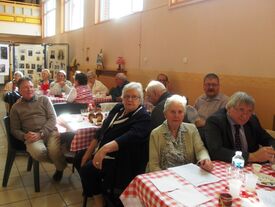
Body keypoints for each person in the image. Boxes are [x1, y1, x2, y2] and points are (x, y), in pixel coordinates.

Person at [76, 82, 151, 207]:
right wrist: (89, 152)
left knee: (87, 170)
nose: (130, 100)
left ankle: (98, 198)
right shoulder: (118, 108)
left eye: (134, 97)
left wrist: (104, 149)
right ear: (122, 97)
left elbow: (130, 137)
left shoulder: (143, 117)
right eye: (126, 96)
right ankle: (95, 189)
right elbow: (101, 130)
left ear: (140, 99)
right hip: (103, 151)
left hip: (121, 157)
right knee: (79, 158)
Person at [10, 77, 67, 181]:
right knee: (39, 152)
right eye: (25, 87)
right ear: (19, 90)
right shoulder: (15, 107)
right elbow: (14, 129)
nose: (29, 89)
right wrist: (24, 136)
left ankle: (59, 168)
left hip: (49, 131)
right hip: (31, 136)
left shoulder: (44, 99)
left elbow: (52, 118)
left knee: (54, 150)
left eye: (31, 86)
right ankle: (60, 161)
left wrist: (41, 133)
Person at [204, 91, 275, 164]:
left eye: (249, 111)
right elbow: (216, 152)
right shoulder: (215, 121)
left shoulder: (252, 120)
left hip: (251, 167)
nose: (245, 116)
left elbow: (267, 139)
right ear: (229, 108)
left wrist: (272, 151)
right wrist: (253, 156)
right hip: (227, 166)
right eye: (241, 110)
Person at [148, 95, 213, 172]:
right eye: (172, 112)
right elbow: (153, 165)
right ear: (165, 114)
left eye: (180, 112)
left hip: (188, 174)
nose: (176, 115)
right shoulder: (156, 134)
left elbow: (200, 150)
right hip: (165, 176)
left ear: (184, 114)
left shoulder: (192, 129)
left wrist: (204, 159)